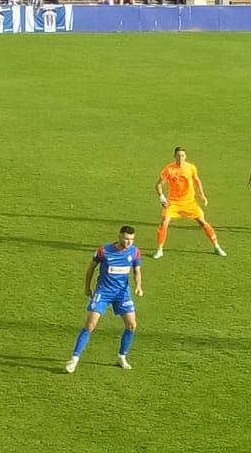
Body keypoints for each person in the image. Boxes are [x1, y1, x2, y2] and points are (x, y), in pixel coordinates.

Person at [66, 225, 143, 374]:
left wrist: (139, 286)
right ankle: (74, 359)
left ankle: (122, 356)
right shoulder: (104, 251)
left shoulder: (135, 252)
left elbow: (137, 270)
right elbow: (91, 268)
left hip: (122, 294)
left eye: (131, 240)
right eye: (126, 239)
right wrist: (87, 287)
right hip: (103, 293)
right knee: (90, 325)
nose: (129, 243)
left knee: (132, 325)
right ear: (120, 236)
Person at [154, 146, 224, 258]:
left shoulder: (191, 168)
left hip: (189, 202)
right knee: (164, 222)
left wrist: (202, 195)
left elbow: (197, 180)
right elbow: (158, 185)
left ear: (185, 157)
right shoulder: (169, 169)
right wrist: (162, 197)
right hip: (173, 202)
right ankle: (160, 249)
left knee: (202, 222)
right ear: (174, 156)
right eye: (178, 156)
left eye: (182, 156)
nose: (180, 158)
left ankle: (216, 246)